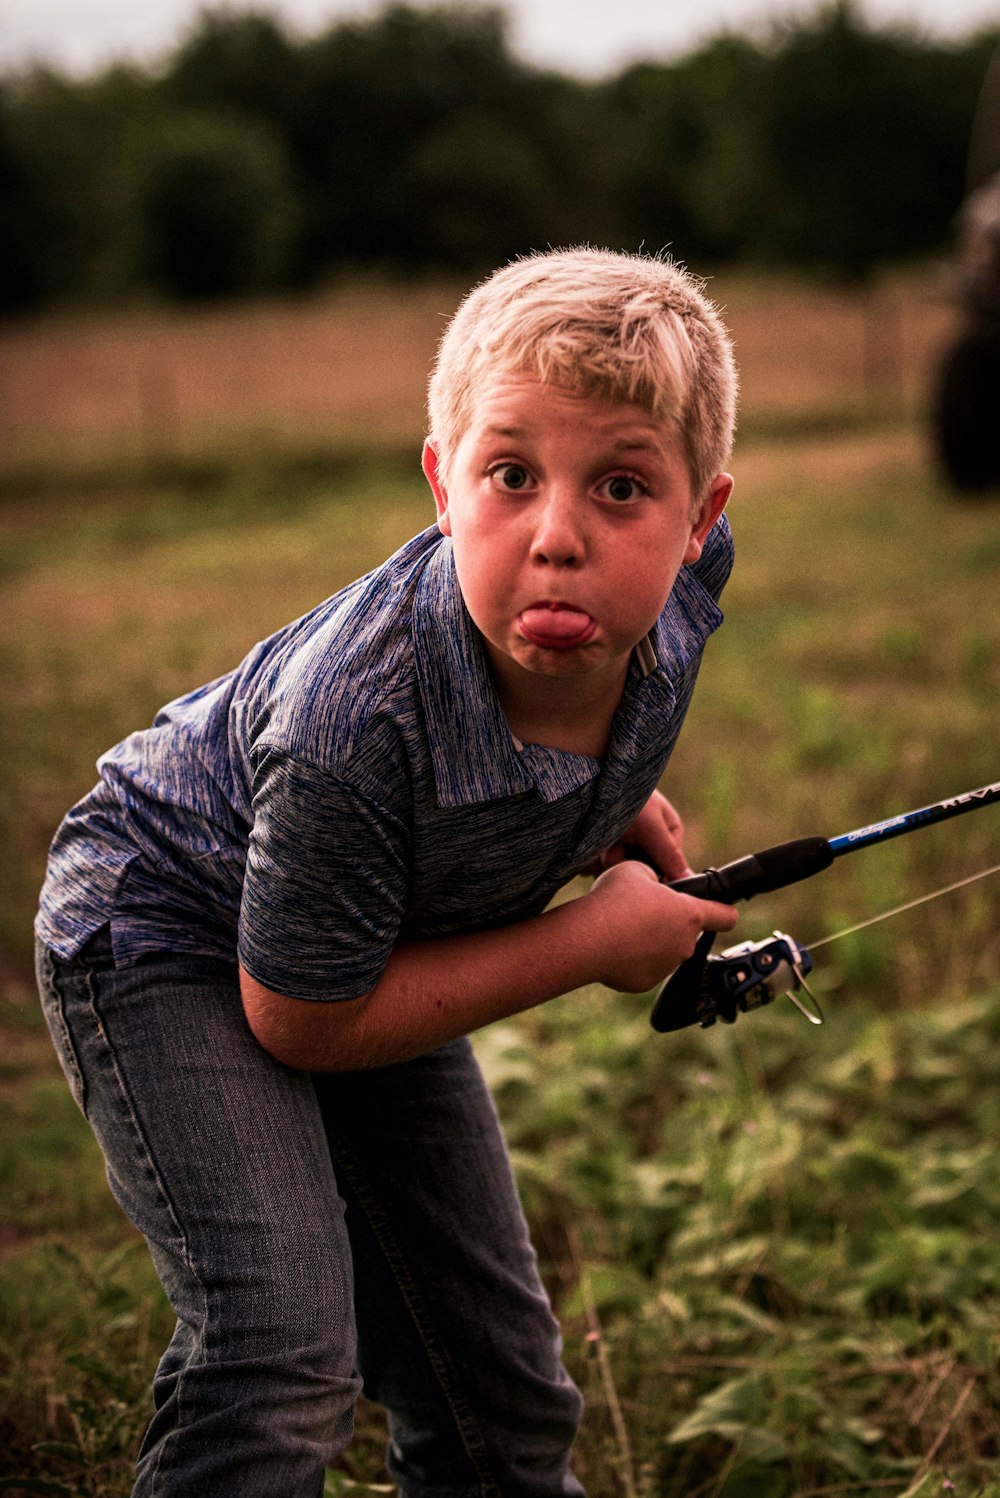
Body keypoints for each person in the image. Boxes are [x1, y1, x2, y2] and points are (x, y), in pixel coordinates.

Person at [34, 246, 740, 1497]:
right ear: (441, 482)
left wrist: (605, 804)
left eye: (622, 488)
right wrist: (586, 941)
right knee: (281, 1352)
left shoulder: (677, 612)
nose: (559, 536)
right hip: (170, 938)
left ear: (701, 525)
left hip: (371, 930)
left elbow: (597, 718)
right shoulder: (352, 726)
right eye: (509, 475)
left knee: (504, 1383)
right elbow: (301, 1020)